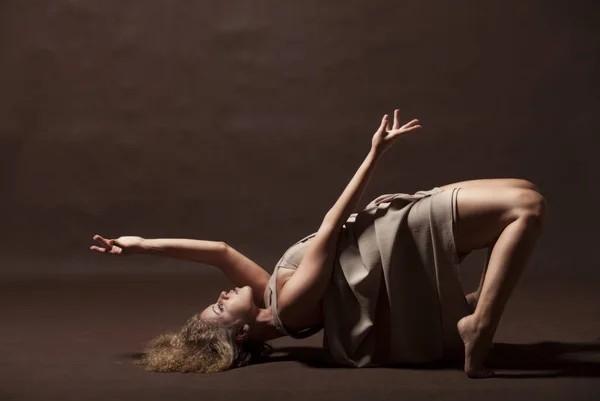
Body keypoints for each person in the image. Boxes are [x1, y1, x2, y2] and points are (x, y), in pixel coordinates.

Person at [90, 109, 547, 378]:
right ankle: (479, 326)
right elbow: (330, 227)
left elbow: (220, 252)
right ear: (243, 332)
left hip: (386, 225)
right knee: (525, 208)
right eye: (221, 307)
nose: (224, 294)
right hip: (396, 233)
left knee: (523, 188)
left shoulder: (269, 294)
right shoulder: (289, 308)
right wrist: (375, 154)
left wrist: (142, 244)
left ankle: (471, 311)